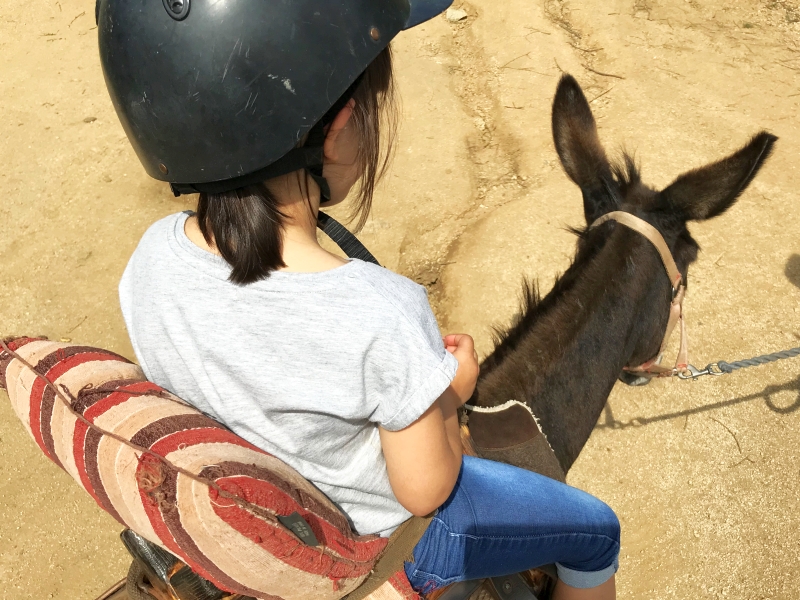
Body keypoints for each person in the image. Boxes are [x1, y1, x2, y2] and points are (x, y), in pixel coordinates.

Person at [102, 1, 620, 598]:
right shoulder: (383, 309)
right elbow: (427, 491)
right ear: (341, 126)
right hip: (378, 542)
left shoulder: (150, 258)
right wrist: (450, 394)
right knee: (595, 530)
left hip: (254, 507)